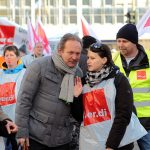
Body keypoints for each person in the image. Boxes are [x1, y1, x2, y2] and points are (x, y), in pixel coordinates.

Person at [73, 42, 147, 150]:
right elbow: (79, 117)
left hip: (117, 145)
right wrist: (76, 97)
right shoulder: (83, 82)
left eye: (93, 58)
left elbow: (123, 115)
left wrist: (111, 145)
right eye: (88, 57)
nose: (88, 61)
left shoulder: (119, 80)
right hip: (90, 144)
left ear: (104, 60)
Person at [15, 33, 83, 150]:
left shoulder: (78, 73)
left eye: (77, 53)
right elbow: (24, 100)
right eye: (70, 52)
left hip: (62, 140)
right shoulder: (39, 66)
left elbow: (77, 112)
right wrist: (21, 132)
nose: (75, 57)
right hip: (35, 137)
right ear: (60, 51)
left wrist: (77, 97)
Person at [113, 23, 150, 150]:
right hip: (121, 119)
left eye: (125, 41)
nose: (120, 44)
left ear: (134, 42)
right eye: (118, 41)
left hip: (146, 121)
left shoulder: (149, 59)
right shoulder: (112, 60)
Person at [0, 45, 26, 149]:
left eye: (11, 55)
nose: (9, 58)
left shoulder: (25, 73)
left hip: (18, 118)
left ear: (18, 57)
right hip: (3, 120)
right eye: (7, 55)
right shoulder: (0, 73)